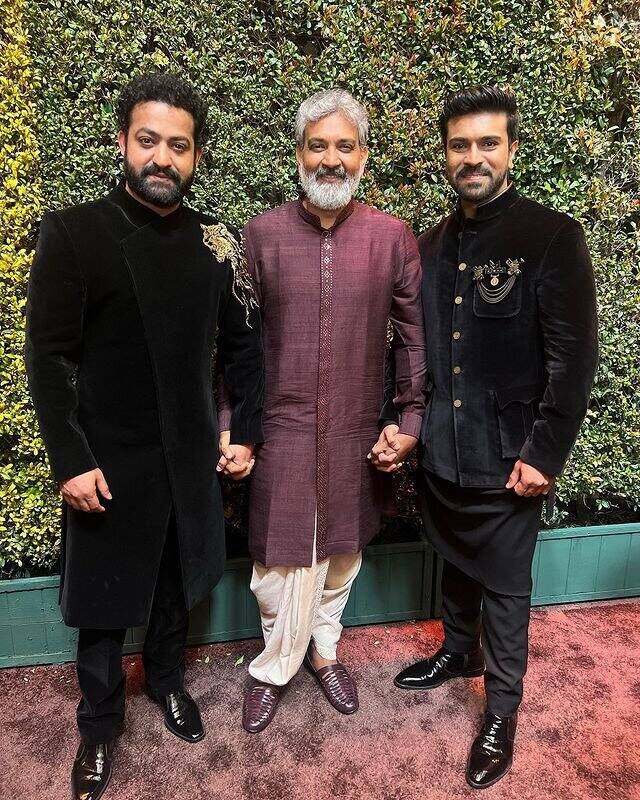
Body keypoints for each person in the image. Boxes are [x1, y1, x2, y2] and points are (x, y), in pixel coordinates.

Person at [25, 73, 263, 800]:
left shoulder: (215, 240)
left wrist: (243, 433)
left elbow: (245, 348)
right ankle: (98, 727)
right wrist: (70, 458)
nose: (163, 157)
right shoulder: (73, 234)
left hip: (189, 458)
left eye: (179, 146)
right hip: (107, 462)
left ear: (196, 158)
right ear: (122, 142)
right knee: (100, 606)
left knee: (173, 590)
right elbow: (47, 356)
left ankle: (167, 684)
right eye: (149, 140)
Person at [378, 86, 598, 789]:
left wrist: (546, 452)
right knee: (454, 559)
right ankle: (456, 651)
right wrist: (409, 426)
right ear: (446, 153)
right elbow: (414, 351)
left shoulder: (551, 237)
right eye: (460, 145)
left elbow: (574, 357)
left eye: (487, 144)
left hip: (511, 458)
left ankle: (501, 712)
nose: (472, 157)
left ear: (511, 151)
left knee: (505, 586)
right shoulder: (429, 246)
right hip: (443, 447)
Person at [217, 88, 427, 733]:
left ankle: (324, 651)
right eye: (318, 145)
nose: (330, 159)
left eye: (344, 146)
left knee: (341, 553)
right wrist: (228, 424)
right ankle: (273, 665)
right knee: (277, 561)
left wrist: (408, 420)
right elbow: (234, 345)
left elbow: (414, 338)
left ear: (363, 155)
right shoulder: (261, 235)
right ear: (299, 154)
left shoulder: (393, 238)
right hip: (277, 428)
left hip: (357, 429)